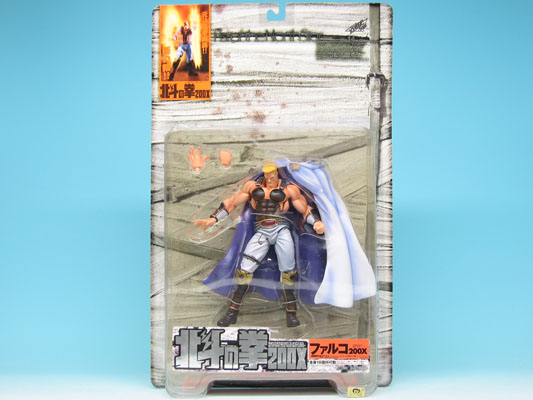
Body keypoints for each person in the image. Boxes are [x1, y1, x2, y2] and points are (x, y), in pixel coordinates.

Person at [195, 163, 325, 327]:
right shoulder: (252, 187)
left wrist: (316, 222)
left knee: (288, 273)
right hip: (262, 230)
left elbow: (305, 209)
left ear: (277, 174)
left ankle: (291, 314)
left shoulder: (289, 189)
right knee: (244, 271)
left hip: (281, 229)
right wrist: (213, 218)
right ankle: (232, 312)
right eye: (267, 177)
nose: (269, 180)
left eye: (273, 177)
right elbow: (232, 203)